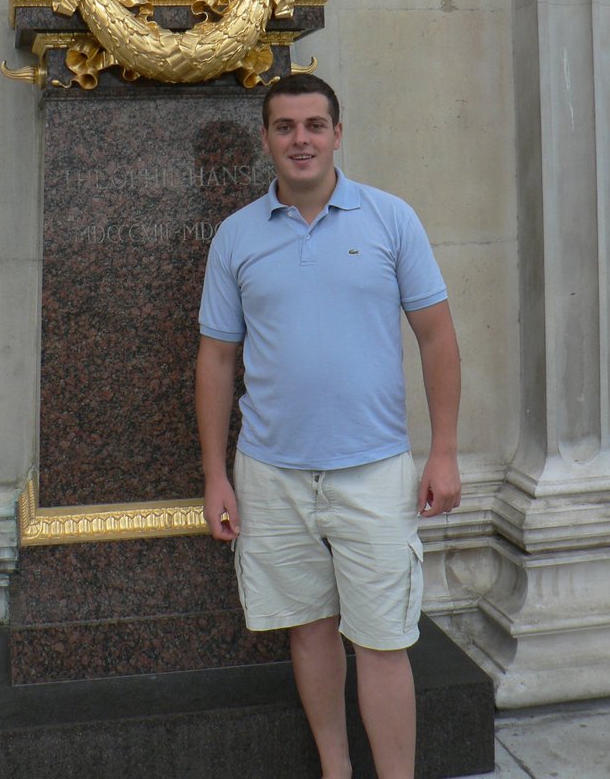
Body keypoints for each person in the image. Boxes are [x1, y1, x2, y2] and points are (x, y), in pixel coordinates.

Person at [196, 73, 461, 779]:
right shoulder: (235, 237)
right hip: (271, 473)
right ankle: (335, 770)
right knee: (309, 633)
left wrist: (444, 453)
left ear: (338, 134)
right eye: (285, 127)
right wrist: (216, 475)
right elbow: (216, 359)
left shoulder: (391, 220)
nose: (301, 140)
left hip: (374, 469)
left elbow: (437, 337)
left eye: (315, 125)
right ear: (266, 139)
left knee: (382, 641)